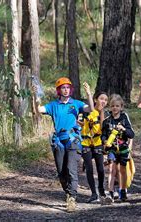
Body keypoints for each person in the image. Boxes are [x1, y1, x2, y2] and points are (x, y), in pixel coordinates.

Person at [36, 77, 93, 212]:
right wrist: (35, 96)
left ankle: (72, 198)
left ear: (70, 89)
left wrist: (89, 94)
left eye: (68, 87)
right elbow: (39, 109)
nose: (66, 90)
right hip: (58, 141)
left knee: (71, 169)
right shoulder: (53, 105)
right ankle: (68, 193)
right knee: (61, 172)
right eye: (63, 88)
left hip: (72, 139)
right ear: (59, 90)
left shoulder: (76, 104)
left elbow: (90, 108)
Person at [102, 94, 135, 203]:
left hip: (123, 148)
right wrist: (105, 141)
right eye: (112, 106)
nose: (115, 108)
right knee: (111, 169)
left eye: (117, 106)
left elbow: (131, 134)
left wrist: (124, 129)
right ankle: (110, 192)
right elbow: (103, 135)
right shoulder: (107, 121)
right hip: (112, 149)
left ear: (121, 107)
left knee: (122, 170)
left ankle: (123, 190)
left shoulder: (124, 118)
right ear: (110, 107)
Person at [79, 91, 108, 203]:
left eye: (105, 100)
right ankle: (93, 193)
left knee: (100, 169)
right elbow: (83, 121)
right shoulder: (86, 111)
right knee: (89, 168)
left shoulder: (103, 114)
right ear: (96, 99)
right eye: (101, 99)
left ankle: (101, 189)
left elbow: (101, 126)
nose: (103, 102)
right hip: (86, 143)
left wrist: (101, 113)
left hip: (97, 143)